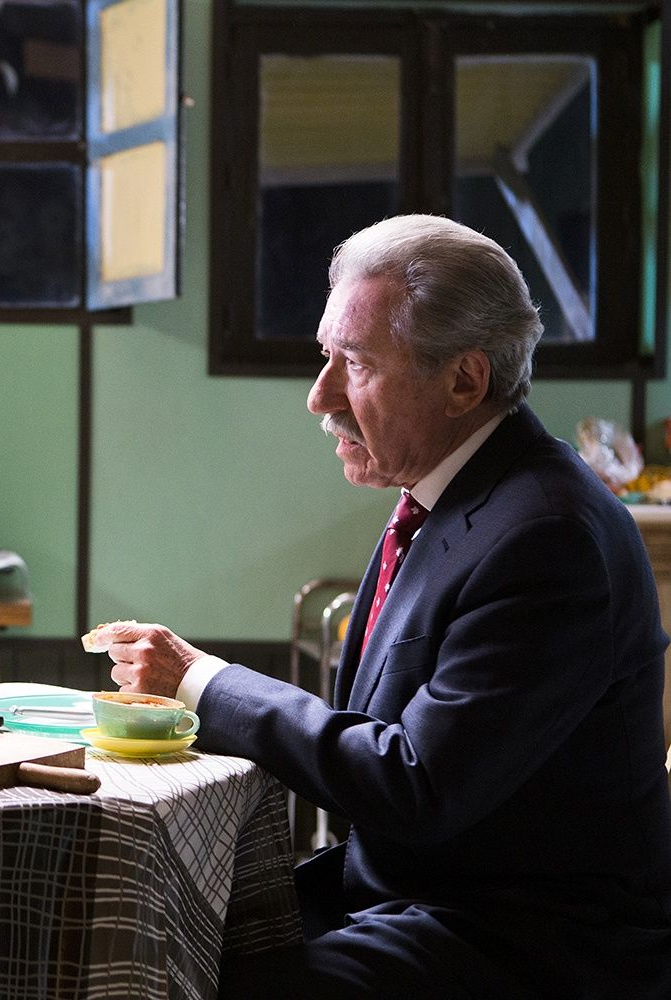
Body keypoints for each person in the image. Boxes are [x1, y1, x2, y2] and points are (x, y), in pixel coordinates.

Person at [97, 215, 671, 999]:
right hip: (421, 903)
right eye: (325, 356)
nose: (319, 397)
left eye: (357, 364)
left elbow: (416, 784)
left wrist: (201, 681)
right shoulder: (451, 496)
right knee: (142, 932)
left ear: (465, 382)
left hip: (530, 946)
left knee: (174, 980)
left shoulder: (547, 535)